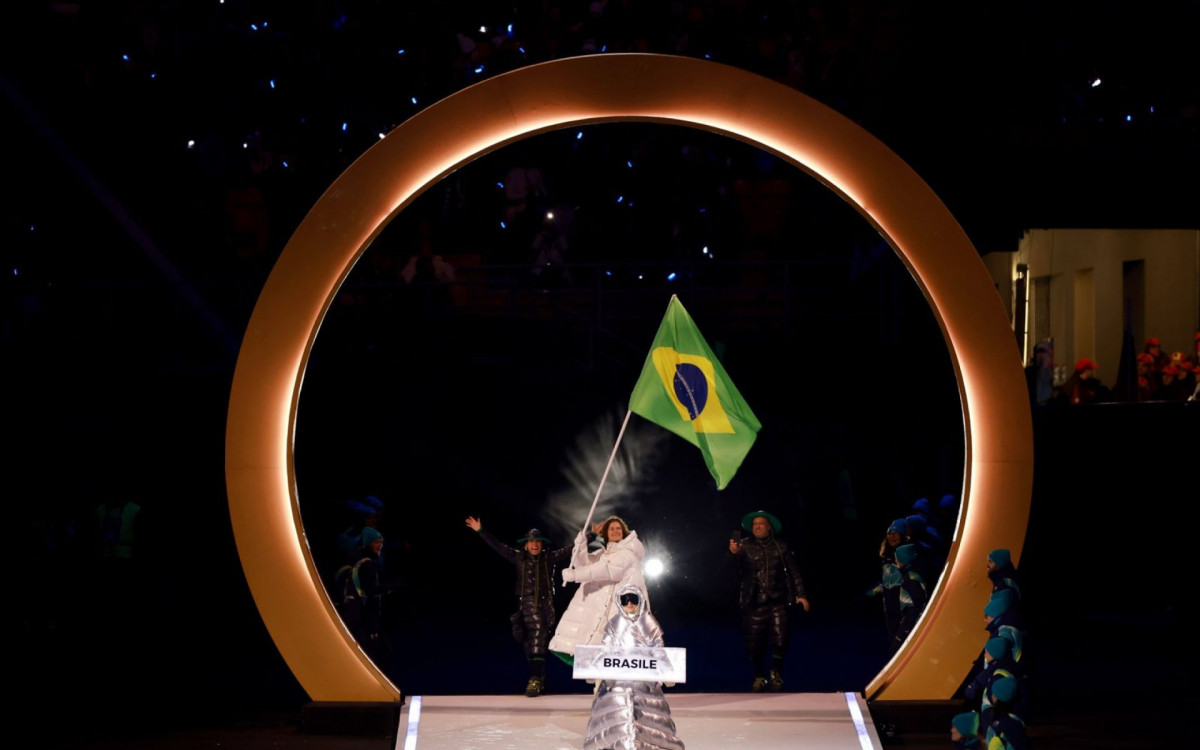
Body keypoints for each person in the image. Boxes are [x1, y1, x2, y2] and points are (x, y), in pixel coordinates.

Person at [465, 516, 572, 697]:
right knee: (530, 641)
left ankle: (537, 677)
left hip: (546, 604)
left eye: (537, 542)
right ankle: (538, 676)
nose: (535, 545)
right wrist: (481, 530)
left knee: (538, 638)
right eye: (531, 542)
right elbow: (498, 546)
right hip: (527, 603)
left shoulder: (549, 557)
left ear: (542, 544)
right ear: (526, 544)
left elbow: (571, 550)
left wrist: (590, 536)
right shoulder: (519, 557)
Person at [583, 584, 684, 750]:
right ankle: (615, 741)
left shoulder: (648, 622)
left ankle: (648, 741)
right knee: (616, 706)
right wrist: (597, 669)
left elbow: (657, 648)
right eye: (625, 600)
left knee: (645, 708)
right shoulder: (614, 623)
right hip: (618, 677)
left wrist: (666, 671)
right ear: (619, 602)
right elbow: (606, 649)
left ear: (640, 601)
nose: (630, 603)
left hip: (643, 677)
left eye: (633, 599)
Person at [727, 510, 810, 691]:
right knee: (755, 643)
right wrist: (734, 554)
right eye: (755, 523)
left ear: (768, 527)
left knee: (781, 639)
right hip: (754, 601)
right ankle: (758, 676)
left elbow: (794, 572)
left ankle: (776, 673)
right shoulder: (744, 546)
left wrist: (801, 595)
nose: (757, 526)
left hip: (778, 600)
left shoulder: (781, 547)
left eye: (761, 523)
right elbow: (733, 570)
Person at [549, 515, 647, 664]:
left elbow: (607, 570)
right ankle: (598, 677)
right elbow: (585, 565)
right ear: (606, 533)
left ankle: (651, 677)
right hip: (602, 605)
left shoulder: (627, 553)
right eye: (612, 529)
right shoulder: (603, 554)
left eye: (618, 528)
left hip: (622, 605)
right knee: (599, 646)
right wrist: (580, 546)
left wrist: (575, 575)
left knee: (619, 646)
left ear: (624, 532)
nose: (615, 531)